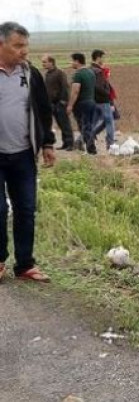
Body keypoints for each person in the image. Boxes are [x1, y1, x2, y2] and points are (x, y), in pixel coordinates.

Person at [0, 22, 56, 282]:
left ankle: (24, 265)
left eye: (26, 45)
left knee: (25, 209)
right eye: (18, 45)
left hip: (23, 153)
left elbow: (44, 110)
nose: (24, 51)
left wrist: (47, 144)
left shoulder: (31, 74)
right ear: (2, 45)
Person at [67, 52, 99, 154]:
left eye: (72, 61)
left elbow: (75, 91)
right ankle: (89, 147)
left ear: (77, 61)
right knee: (89, 126)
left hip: (82, 104)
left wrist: (70, 105)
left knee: (84, 127)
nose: (71, 63)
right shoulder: (91, 73)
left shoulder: (78, 74)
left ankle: (91, 150)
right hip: (91, 102)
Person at [40, 55, 75, 150]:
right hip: (52, 103)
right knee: (60, 124)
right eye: (43, 62)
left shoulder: (59, 73)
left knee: (65, 124)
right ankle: (65, 144)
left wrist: (63, 101)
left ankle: (70, 144)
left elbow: (65, 87)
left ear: (51, 62)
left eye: (45, 62)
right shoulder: (48, 74)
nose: (43, 64)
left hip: (60, 103)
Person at [90, 49, 116, 149]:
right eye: (102, 57)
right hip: (103, 101)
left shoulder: (89, 69)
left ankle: (82, 139)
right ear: (98, 58)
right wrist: (108, 94)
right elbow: (100, 87)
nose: (103, 60)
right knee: (109, 121)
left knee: (93, 122)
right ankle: (110, 143)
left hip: (93, 100)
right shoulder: (98, 71)